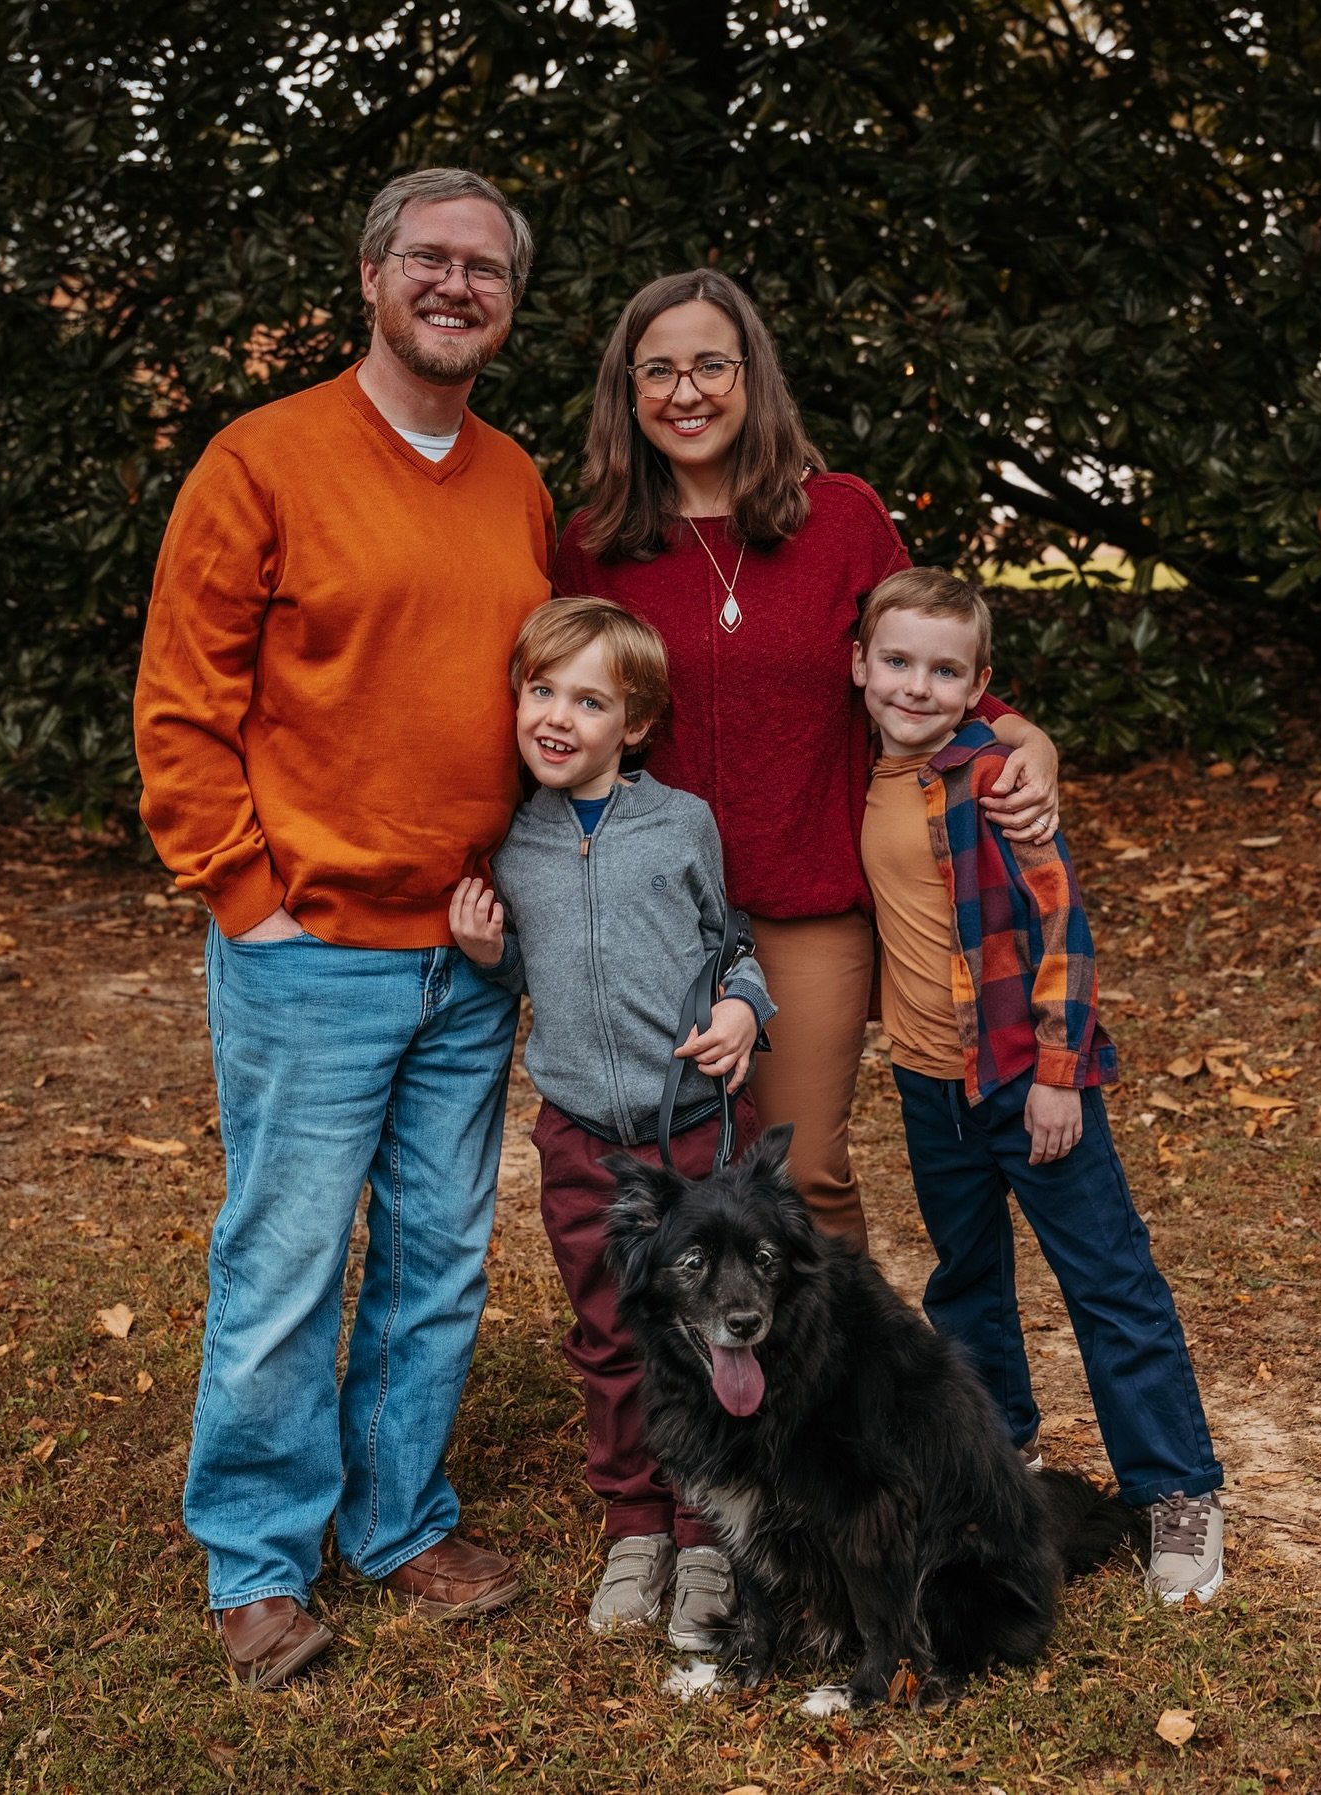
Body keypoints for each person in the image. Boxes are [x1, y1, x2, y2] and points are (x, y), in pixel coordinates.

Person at [133, 168, 556, 1688]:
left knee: (439, 1255)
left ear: (510, 301)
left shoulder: (514, 479)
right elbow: (183, 710)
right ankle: (255, 1559)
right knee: (288, 1256)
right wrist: (247, 893)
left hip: (469, 952)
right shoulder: (264, 459)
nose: (458, 286)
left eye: (486, 269)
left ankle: (397, 1520)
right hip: (309, 946)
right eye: (430, 260)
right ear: (372, 277)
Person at [553, 268, 1061, 1253]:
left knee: (802, 1169)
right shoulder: (594, 544)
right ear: (627, 391)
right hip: (650, 910)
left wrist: (1021, 734)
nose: (685, 390)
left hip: (807, 898)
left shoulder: (840, 518)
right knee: (676, 1176)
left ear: (753, 376)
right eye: (657, 370)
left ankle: (842, 1394)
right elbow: (557, 711)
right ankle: (709, 1399)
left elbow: (922, 665)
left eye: (710, 364)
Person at [853, 566, 1225, 1605]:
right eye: (896, 663)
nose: (915, 687)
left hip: (1029, 1081)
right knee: (965, 1283)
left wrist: (1060, 1076)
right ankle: (998, 1456)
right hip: (932, 1086)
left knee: (1109, 1281)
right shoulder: (859, 767)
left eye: (942, 670)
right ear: (860, 666)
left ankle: (1178, 1490)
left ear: (980, 686)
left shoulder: (994, 780)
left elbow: (1063, 930)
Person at [449, 596, 774, 1648]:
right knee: (608, 1331)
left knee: (706, 1329)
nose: (557, 716)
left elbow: (731, 947)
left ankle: (710, 1530)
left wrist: (740, 1010)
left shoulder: (679, 822)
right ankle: (635, 1527)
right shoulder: (511, 837)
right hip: (585, 1137)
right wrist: (488, 953)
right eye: (540, 691)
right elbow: (529, 976)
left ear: (632, 724)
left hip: (695, 1141)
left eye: (588, 700)